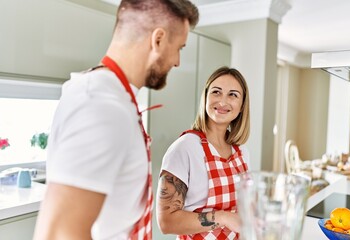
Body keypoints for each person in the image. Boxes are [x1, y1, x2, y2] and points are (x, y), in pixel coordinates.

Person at [33, 1, 198, 240]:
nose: (177, 61)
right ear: (158, 40)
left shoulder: (113, 97)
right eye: (179, 48)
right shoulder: (102, 105)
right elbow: (59, 233)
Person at [156, 66, 250, 239]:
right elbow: (166, 222)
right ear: (205, 97)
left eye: (233, 95)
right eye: (216, 92)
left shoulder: (241, 151)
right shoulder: (185, 148)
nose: (222, 101)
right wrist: (223, 217)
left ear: (242, 105)